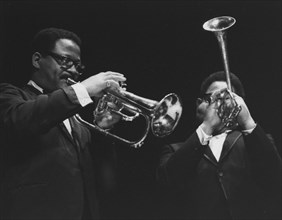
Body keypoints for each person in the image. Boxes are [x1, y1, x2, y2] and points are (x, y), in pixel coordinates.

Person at [0, 27, 126, 220]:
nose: (74, 71)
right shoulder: (10, 95)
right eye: (66, 61)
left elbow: (105, 179)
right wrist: (84, 89)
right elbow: (23, 120)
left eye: (78, 66)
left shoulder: (77, 118)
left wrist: (103, 128)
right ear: (37, 60)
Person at [156, 71, 282, 220]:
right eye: (213, 99)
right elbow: (166, 185)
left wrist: (247, 121)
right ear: (199, 105)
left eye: (227, 98)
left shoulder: (255, 141)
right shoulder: (174, 150)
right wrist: (207, 126)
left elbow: (275, 180)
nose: (220, 105)